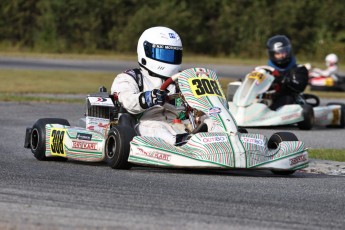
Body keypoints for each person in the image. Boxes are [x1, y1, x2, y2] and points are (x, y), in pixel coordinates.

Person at [110, 26, 188, 145]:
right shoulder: (131, 77)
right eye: (164, 54)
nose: (170, 59)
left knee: (209, 121)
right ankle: (182, 144)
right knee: (156, 127)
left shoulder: (182, 79)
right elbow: (126, 100)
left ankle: (214, 142)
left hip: (180, 124)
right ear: (146, 51)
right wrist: (147, 98)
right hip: (145, 124)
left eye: (173, 54)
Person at [266, 35, 309, 110]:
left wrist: (282, 79)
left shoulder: (298, 69)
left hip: (291, 100)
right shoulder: (267, 70)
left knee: (286, 98)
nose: (281, 56)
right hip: (269, 98)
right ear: (272, 54)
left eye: (283, 52)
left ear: (288, 51)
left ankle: (270, 114)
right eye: (278, 53)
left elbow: (299, 86)